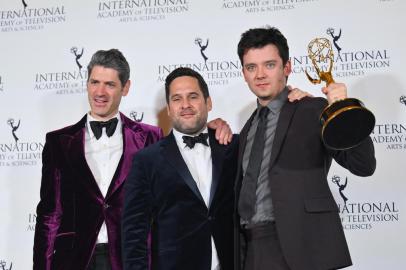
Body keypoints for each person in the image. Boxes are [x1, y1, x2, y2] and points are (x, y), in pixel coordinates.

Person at [33, 50, 231, 270]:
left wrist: (216, 127)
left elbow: (187, 151)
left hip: (130, 258)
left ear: (125, 88)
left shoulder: (150, 137)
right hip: (74, 259)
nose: (100, 91)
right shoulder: (59, 142)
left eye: (110, 84)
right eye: (94, 82)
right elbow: (49, 214)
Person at [234, 27, 376, 270]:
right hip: (253, 250)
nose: (260, 74)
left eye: (269, 65)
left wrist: (343, 109)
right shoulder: (248, 127)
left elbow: (363, 165)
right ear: (244, 73)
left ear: (286, 68)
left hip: (306, 247)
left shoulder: (313, 109)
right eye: (251, 67)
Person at [122, 67, 239, 270]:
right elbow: (134, 233)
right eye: (176, 99)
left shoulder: (233, 146)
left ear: (208, 102)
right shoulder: (147, 161)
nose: (185, 105)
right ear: (168, 108)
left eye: (193, 96)